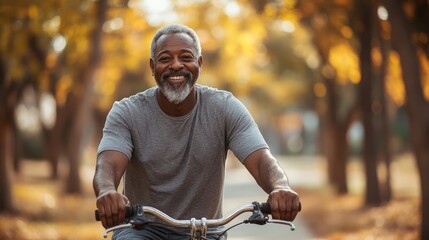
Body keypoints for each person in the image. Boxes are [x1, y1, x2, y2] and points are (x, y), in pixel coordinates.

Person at [93, 24, 300, 240]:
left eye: (186, 57)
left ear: (199, 64)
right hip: (141, 229)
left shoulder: (225, 108)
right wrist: (108, 192)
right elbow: (108, 164)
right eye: (165, 59)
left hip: (206, 230)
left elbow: (261, 160)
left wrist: (280, 187)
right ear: (152, 66)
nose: (175, 65)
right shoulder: (127, 112)